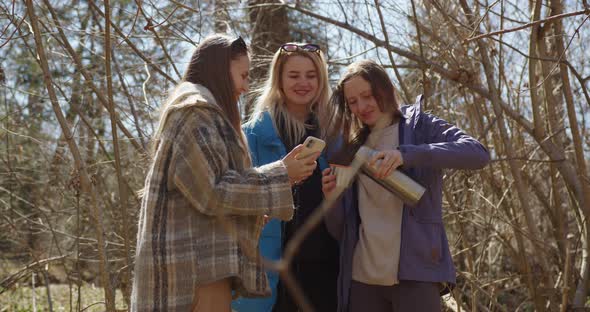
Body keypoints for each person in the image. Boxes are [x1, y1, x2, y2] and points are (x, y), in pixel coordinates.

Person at [131, 34, 318, 312]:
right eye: (243, 75)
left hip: (196, 272)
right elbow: (212, 192)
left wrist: (254, 210)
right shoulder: (194, 112)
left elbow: (201, 197)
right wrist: (281, 173)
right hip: (193, 276)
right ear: (220, 68)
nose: (244, 87)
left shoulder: (202, 113)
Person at [321, 59, 490, 312]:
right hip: (362, 281)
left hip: (415, 275)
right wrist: (331, 199)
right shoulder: (352, 147)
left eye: (367, 96)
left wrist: (406, 155)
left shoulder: (420, 126)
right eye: (353, 102)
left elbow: (478, 154)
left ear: (385, 89)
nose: (362, 107)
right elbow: (340, 230)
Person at [232, 42, 339, 312]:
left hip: (327, 274)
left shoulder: (335, 134)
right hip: (270, 276)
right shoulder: (249, 137)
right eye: (293, 75)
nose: (303, 82)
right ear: (278, 79)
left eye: (311, 75)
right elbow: (233, 199)